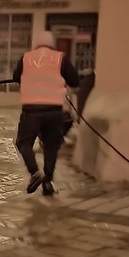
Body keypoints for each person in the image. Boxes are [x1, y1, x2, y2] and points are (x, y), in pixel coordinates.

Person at [13, 30, 81, 196]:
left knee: (23, 143)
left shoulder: (26, 57)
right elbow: (75, 81)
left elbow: (16, 77)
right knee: (51, 146)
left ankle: (35, 172)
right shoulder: (60, 58)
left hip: (31, 110)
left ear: (36, 43)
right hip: (54, 111)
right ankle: (48, 183)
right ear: (52, 43)